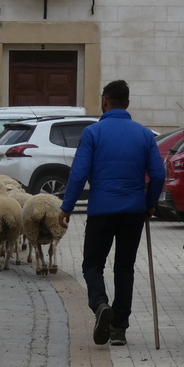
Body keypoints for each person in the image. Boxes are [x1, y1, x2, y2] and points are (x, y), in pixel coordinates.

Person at [58, 80, 165, 347]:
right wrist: (149, 203)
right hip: (133, 211)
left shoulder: (93, 133)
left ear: (105, 100)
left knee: (92, 263)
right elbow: (159, 173)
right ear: (127, 103)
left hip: (101, 209)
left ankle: (100, 303)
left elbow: (79, 173)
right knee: (124, 267)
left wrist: (67, 206)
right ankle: (119, 328)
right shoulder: (143, 134)